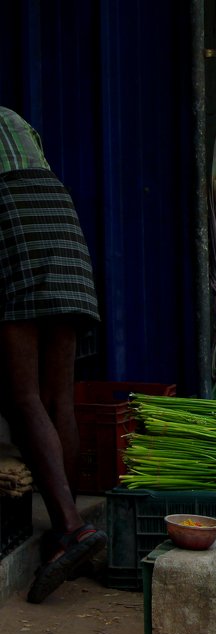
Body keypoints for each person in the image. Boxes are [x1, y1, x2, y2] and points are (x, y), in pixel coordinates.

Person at [0, 106, 106, 604]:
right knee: (56, 397)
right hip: (60, 226)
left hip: (11, 225)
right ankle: (73, 527)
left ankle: (68, 528)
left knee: (21, 399)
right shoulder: (11, 118)